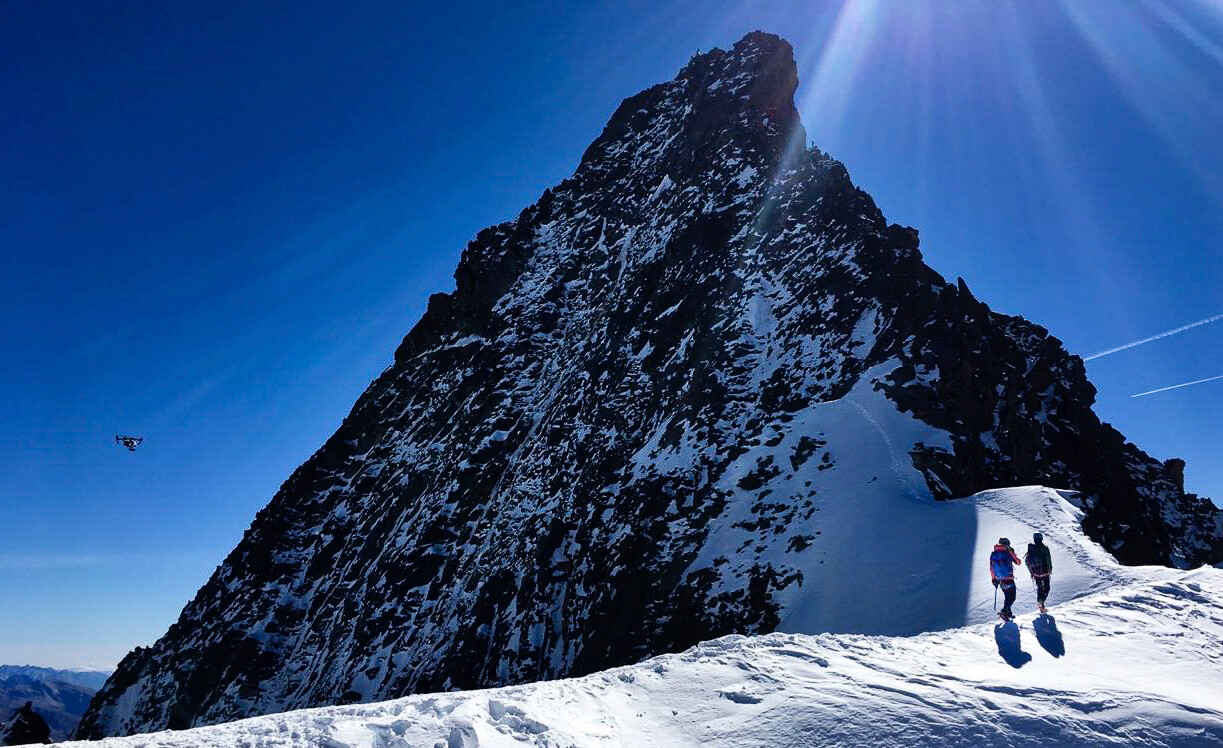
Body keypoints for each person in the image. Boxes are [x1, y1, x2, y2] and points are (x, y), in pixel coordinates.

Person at [990, 537, 1023, 621]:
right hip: (1008, 579)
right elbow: (1018, 562)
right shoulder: (1008, 551)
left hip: (1000, 580)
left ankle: (1008, 614)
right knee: (1012, 597)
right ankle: (1004, 611)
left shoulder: (994, 554)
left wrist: (994, 580)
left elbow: (992, 568)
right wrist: (1012, 553)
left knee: (1008, 597)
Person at [1025, 532, 1053, 613]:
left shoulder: (1031, 549)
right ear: (1041, 538)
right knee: (1047, 588)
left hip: (1036, 574)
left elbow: (1027, 561)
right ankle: (1041, 602)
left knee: (1040, 588)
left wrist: (1031, 571)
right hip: (1045, 572)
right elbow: (1048, 559)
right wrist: (1050, 570)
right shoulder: (1045, 548)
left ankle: (1041, 605)